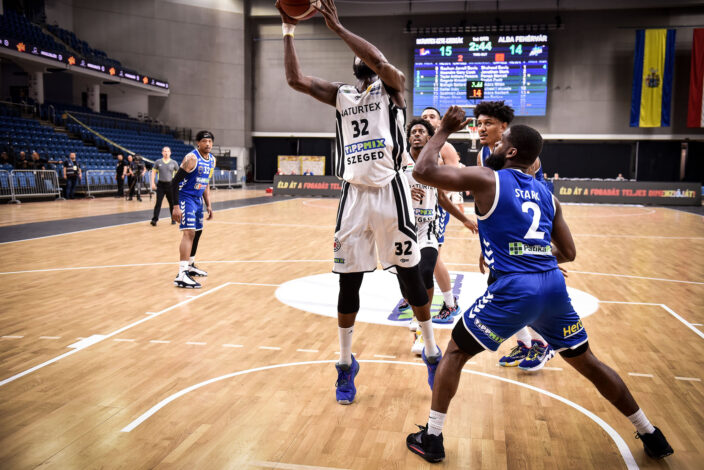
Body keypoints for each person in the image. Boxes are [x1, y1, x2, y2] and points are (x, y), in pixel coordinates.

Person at [404, 106, 674, 463]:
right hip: (552, 287)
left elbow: (423, 171)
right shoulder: (548, 195)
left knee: (454, 353)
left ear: (512, 151)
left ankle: (433, 437)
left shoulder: (488, 178)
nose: (495, 145)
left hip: (516, 289)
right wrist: (532, 256)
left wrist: (444, 130)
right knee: (589, 362)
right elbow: (569, 253)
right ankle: (650, 432)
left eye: (501, 141)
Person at [277, 0, 442, 404]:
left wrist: (337, 27)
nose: (363, 58)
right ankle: (345, 363)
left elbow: (381, 62)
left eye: (366, 54)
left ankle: (432, 351)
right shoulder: (342, 95)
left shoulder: (393, 88)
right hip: (353, 196)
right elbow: (295, 79)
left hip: (390, 192)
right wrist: (288, 30)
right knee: (347, 283)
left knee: (410, 279)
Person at [474, 100, 554, 371]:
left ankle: (542, 344)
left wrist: (544, 249)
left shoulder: (525, 157)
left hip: (529, 236)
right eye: (479, 123)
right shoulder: (483, 156)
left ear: (504, 127)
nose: (481, 128)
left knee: (516, 293)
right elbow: (492, 205)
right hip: (505, 237)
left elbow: (537, 203)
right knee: (500, 290)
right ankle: (526, 343)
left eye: (488, 123)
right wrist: (487, 245)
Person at [401, 119, 477, 355]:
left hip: (428, 227)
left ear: (429, 138)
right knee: (407, 284)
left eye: (422, 131)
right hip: (403, 229)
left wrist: (464, 219)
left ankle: (423, 329)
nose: (417, 134)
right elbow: (386, 190)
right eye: (413, 131)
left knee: (425, 271)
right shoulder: (399, 161)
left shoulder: (436, 164)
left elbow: (442, 198)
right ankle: (417, 311)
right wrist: (405, 192)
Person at [418, 106, 470, 322]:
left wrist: (433, 191)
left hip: (435, 208)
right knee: (412, 256)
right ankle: (414, 294)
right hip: (413, 209)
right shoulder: (416, 146)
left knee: (433, 257)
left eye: (432, 116)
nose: (427, 119)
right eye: (424, 116)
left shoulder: (446, 147)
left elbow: (454, 181)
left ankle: (450, 303)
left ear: (440, 122)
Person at [171, 131, 215, 289]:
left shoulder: (212, 160)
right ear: (198, 143)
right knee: (189, 233)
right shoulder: (192, 158)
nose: (207, 144)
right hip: (185, 197)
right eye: (204, 141)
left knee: (198, 231)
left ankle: (190, 266)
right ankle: (182, 274)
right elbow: (174, 182)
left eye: (210, 141)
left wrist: (208, 204)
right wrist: (176, 206)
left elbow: (206, 183)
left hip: (197, 199)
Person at [150, 147, 179, 226]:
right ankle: (154, 220)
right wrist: (152, 183)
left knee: (172, 203)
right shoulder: (158, 162)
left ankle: (173, 219)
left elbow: (178, 174)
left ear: (170, 153)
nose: (166, 153)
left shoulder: (174, 163)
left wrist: (177, 184)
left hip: (170, 185)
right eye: (165, 151)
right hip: (161, 185)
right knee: (158, 203)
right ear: (162, 152)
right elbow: (153, 173)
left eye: (168, 151)